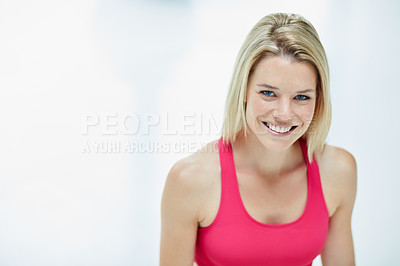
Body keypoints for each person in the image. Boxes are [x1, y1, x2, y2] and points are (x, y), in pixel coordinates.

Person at [160, 13, 357, 266]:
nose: (284, 114)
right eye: (268, 93)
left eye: (302, 97)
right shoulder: (190, 180)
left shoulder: (339, 171)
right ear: (243, 89)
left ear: (319, 98)